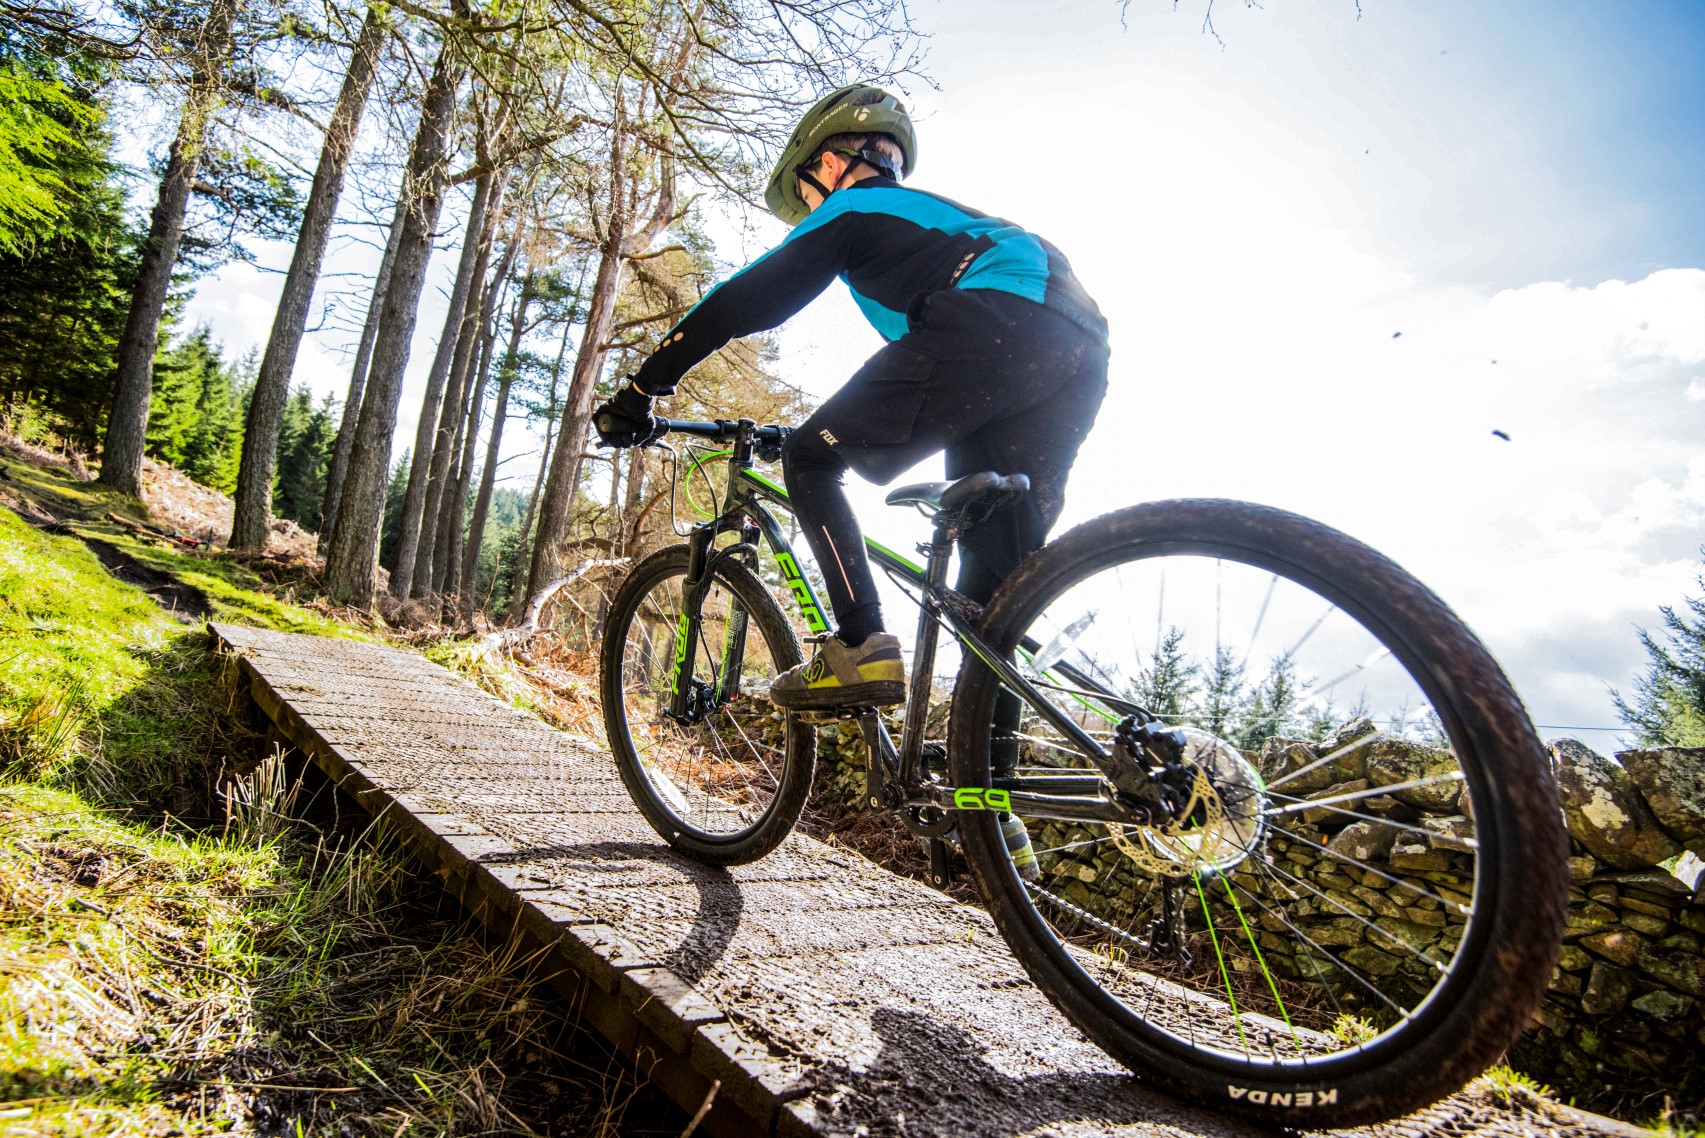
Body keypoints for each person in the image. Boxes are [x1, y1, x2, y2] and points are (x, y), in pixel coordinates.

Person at [593, 84, 1109, 712]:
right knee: (992, 600)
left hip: (999, 321)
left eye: (807, 197)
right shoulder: (932, 227)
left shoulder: (858, 206)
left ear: (831, 165)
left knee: (812, 458)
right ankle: (986, 804)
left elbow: (740, 301)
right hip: (1075, 344)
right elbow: (928, 371)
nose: (810, 214)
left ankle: (862, 645)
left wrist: (642, 388)